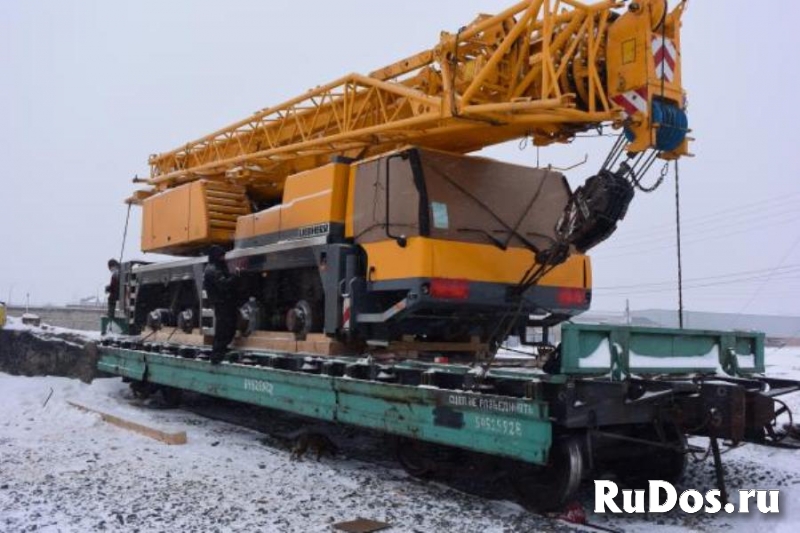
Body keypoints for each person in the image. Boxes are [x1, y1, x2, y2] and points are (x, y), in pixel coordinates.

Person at [203, 246, 239, 364]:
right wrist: (235, 276)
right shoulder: (214, 269)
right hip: (222, 302)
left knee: (225, 326)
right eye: (221, 256)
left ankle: (220, 351)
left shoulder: (213, 267)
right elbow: (223, 284)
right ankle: (217, 354)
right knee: (223, 327)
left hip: (222, 302)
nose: (224, 258)